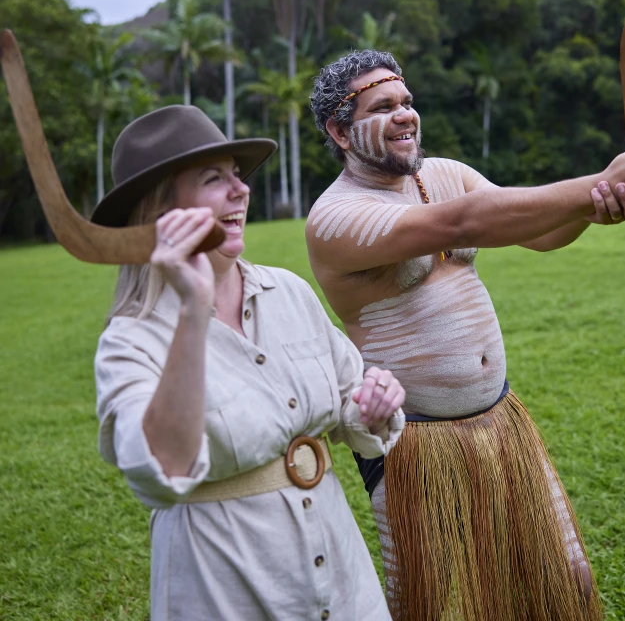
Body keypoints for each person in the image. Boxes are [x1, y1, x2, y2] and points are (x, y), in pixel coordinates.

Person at [305, 50, 625, 621]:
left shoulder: (446, 175)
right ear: (340, 131)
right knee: (435, 603)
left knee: (565, 578)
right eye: (384, 107)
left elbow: (542, 234)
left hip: (501, 420)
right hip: (415, 446)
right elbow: (465, 222)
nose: (405, 115)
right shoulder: (335, 218)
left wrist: (596, 207)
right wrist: (596, 181)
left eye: (407, 102)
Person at [92, 104, 406, 621]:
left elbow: (350, 400)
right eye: (214, 179)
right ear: (159, 212)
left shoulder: (287, 292)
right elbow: (158, 474)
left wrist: (370, 408)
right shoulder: (131, 339)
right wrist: (192, 310)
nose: (241, 191)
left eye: (238, 177)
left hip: (343, 576)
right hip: (224, 586)